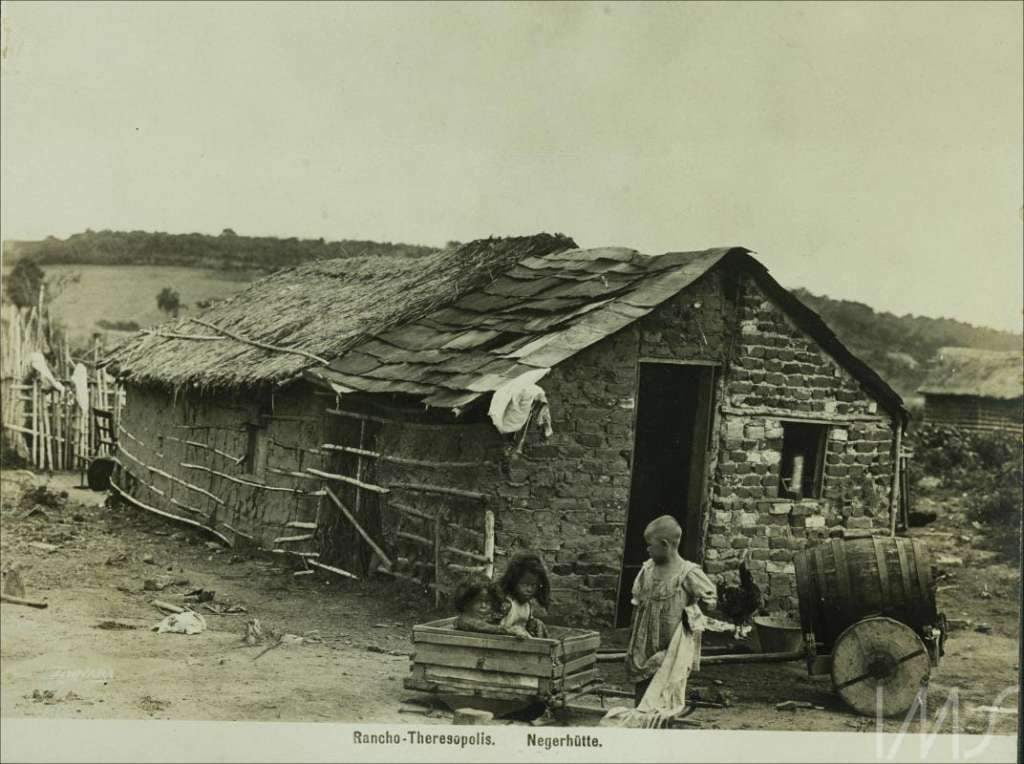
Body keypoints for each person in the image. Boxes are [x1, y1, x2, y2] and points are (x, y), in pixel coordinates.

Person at [625, 515, 717, 709]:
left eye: (650, 545)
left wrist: (702, 606)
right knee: (643, 673)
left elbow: (710, 597)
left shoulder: (687, 572)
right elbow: (637, 599)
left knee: (667, 678)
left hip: (671, 640)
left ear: (665, 544)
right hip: (645, 638)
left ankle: (664, 717)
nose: (647, 549)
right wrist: (633, 629)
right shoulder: (647, 569)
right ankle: (641, 713)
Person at [497, 552, 551, 639]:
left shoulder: (527, 606)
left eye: (533, 585)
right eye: (524, 584)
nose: (529, 590)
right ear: (513, 582)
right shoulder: (506, 604)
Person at [452, 576, 523, 636]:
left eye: (488, 602)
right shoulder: (463, 620)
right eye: (478, 601)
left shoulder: (489, 620)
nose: (483, 606)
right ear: (466, 603)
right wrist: (508, 630)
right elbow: (477, 625)